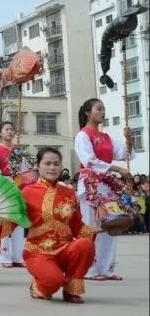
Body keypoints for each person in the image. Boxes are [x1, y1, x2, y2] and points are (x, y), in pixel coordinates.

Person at [21, 147, 97, 302]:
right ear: (37, 166)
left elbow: (76, 225)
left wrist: (100, 229)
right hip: (38, 251)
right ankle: (38, 285)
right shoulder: (26, 193)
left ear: (61, 166)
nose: (52, 167)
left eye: (56, 163)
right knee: (52, 282)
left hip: (64, 249)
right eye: (47, 163)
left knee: (84, 245)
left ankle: (71, 290)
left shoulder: (68, 192)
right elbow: (11, 222)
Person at [74, 98, 131, 282]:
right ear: (88, 112)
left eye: (104, 109)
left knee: (111, 225)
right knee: (92, 226)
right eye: (99, 109)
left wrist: (128, 139)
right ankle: (90, 269)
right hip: (91, 184)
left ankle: (106, 268)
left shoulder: (106, 137)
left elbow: (124, 153)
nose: (103, 112)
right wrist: (115, 169)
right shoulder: (83, 135)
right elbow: (89, 160)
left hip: (106, 186)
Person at [0, 121, 26, 268]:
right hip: (2, 186)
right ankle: (5, 257)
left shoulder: (18, 151)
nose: (10, 132)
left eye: (12, 129)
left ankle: (18, 257)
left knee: (18, 222)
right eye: (7, 129)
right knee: (4, 221)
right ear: (1, 132)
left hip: (18, 186)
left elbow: (24, 169)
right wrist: (5, 182)